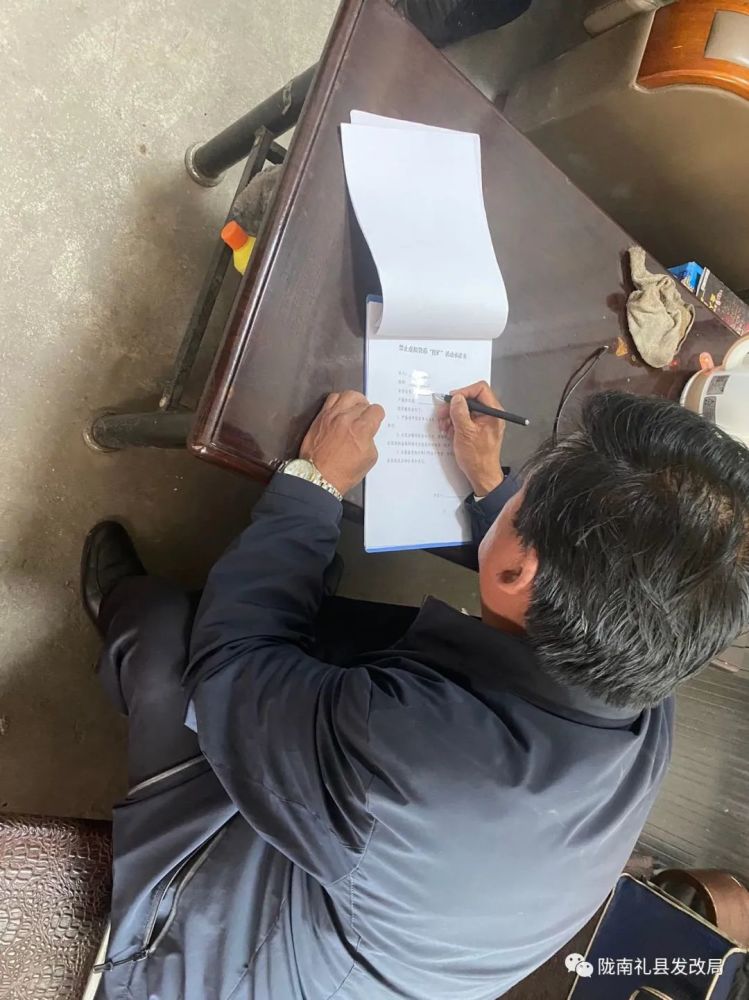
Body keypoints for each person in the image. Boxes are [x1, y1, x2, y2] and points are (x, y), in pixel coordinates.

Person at [83, 385, 749, 1000]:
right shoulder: (646, 664)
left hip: (221, 962)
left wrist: (315, 483)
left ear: (521, 570)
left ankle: (120, 617)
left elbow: (231, 670)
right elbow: (570, 580)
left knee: (169, 634)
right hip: (398, 883)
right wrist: (490, 487)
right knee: (305, 593)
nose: (517, 492)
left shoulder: (411, 757)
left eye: (529, 492)